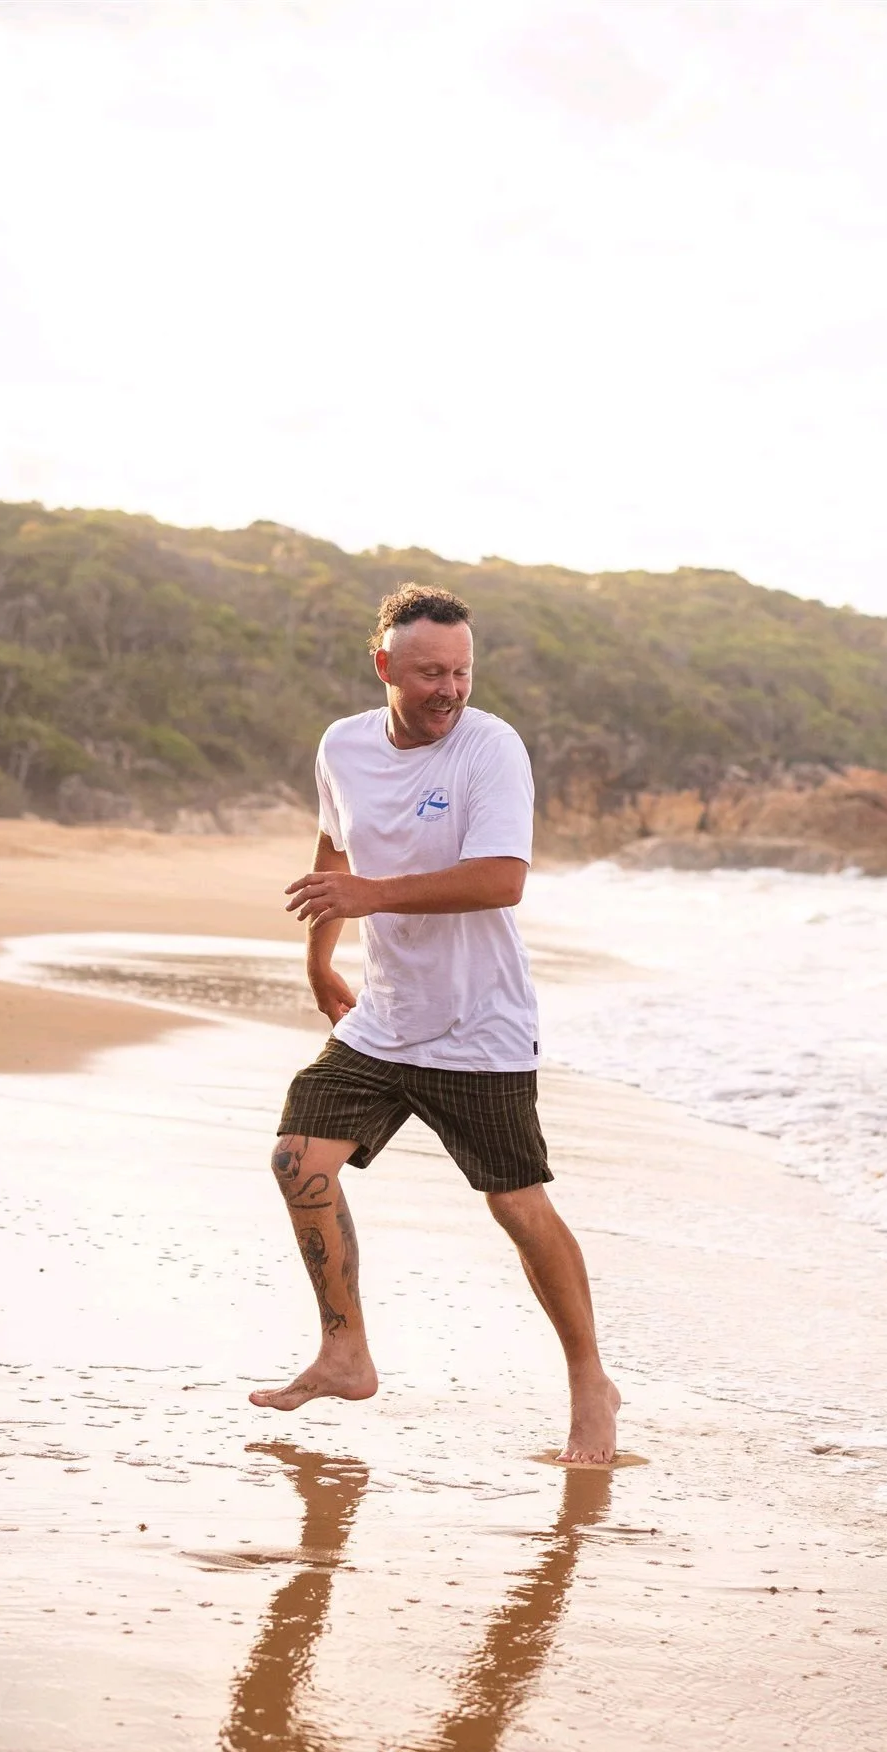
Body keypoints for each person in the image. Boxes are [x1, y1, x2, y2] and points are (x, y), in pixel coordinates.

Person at [250, 582, 621, 1467]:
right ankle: (345, 1350)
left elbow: (501, 879)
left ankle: (588, 1382)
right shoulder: (342, 745)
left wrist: (370, 895)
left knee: (517, 1205)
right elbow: (335, 850)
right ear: (383, 666)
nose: (449, 689)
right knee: (298, 1159)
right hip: (386, 1015)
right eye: (428, 673)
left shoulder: (490, 749)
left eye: (460, 670)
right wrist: (318, 954)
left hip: (479, 1023)